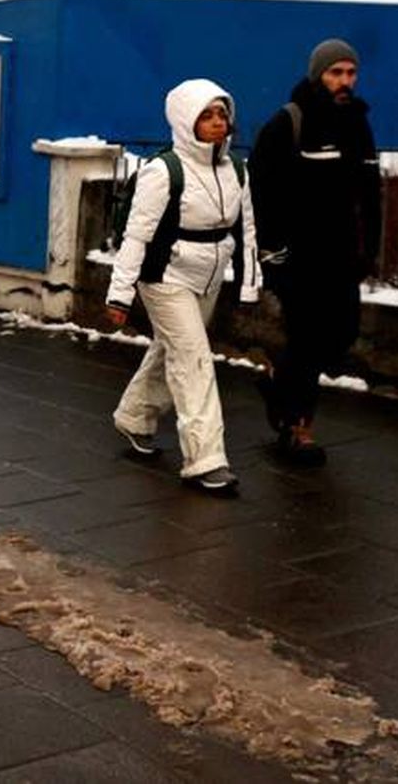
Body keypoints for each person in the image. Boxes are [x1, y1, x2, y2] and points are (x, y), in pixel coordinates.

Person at [106, 78, 260, 495]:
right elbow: (136, 236)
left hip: (208, 278)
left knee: (170, 350)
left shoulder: (237, 171)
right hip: (165, 278)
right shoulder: (163, 171)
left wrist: (248, 285)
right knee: (193, 360)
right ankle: (206, 460)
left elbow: (246, 231)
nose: (216, 123)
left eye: (222, 114)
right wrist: (120, 293)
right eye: (206, 115)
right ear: (184, 120)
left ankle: (135, 416)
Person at [248, 37, 382, 465]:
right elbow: (261, 189)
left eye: (350, 72)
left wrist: (370, 248)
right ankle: (297, 427)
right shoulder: (289, 123)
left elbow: (370, 193)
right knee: (306, 341)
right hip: (299, 257)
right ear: (317, 75)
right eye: (335, 72)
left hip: (343, 257)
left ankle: (281, 380)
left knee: (342, 335)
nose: (345, 81)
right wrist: (271, 251)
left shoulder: (358, 123)